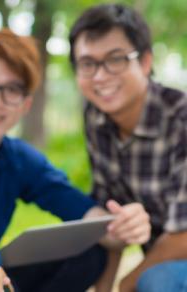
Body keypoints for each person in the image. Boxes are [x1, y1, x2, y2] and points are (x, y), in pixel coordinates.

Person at [0, 29, 151, 292]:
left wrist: (124, 225)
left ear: (25, 105)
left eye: (12, 90)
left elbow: (81, 211)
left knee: (90, 252)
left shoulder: (19, 160)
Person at [69, 4, 187, 292]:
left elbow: (184, 234)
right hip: (163, 260)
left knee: (156, 281)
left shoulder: (181, 118)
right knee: (79, 251)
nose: (100, 76)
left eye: (115, 59)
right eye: (88, 63)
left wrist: (125, 285)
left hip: (174, 261)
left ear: (145, 62)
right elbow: (112, 220)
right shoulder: (97, 119)